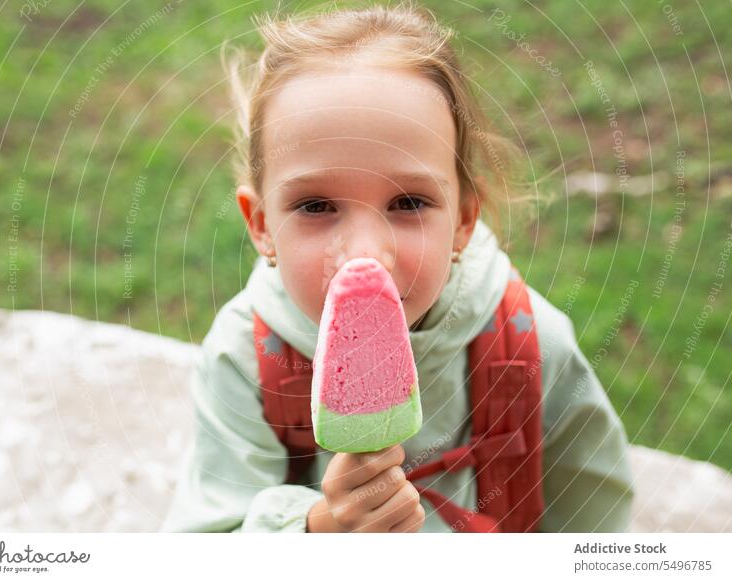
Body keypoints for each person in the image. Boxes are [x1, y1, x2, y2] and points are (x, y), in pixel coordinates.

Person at [160, 2, 634, 533]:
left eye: (408, 202)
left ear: (463, 220)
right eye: (316, 206)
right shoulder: (246, 356)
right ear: (262, 224)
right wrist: (313, 535)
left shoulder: (529, 344)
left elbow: (597, 521)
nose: (365, 255)